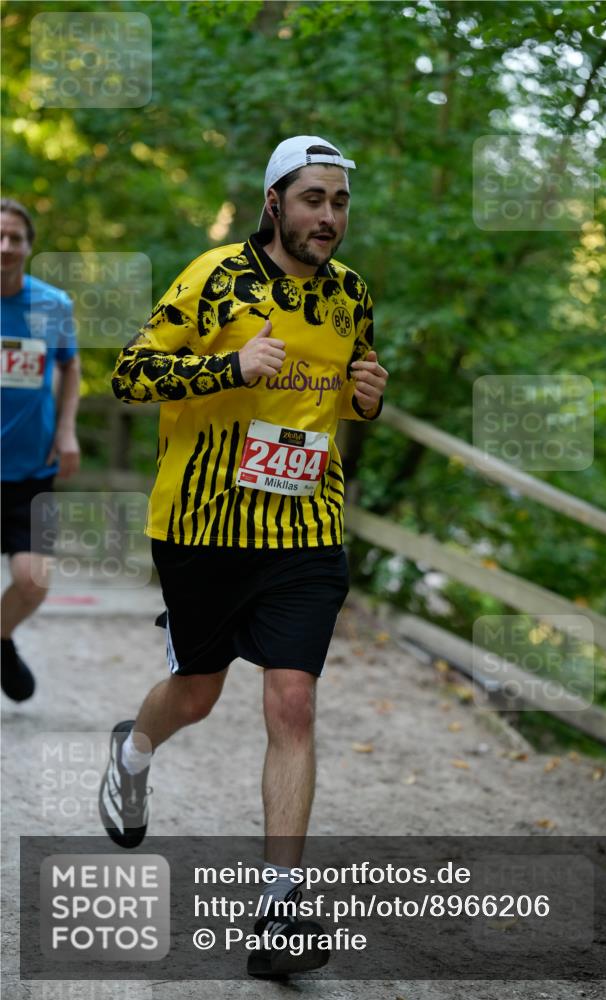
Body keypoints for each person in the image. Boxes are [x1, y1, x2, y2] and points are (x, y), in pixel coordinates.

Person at [98, 136, 388, 977]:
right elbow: (130, 375)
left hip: (304, 529)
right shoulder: (215, 277)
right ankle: (132, 753)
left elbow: (340, 392)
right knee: (196, 694)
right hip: (203, 525)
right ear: (274, 202)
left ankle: (278, 911)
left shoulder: (350, 295)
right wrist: (228, 365)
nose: (328, 216)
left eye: (338, 201)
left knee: (292, 702)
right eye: (312, 199)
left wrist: (366, 400)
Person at [1, 198, 80, 701]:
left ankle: (1, 637)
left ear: (29, 246)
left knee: (34, 581)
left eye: (15, 237)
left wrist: (66, 430)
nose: (5, 246)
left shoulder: (52, 305)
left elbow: (70, 366)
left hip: (31, 472)